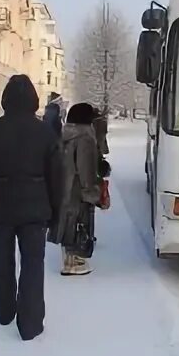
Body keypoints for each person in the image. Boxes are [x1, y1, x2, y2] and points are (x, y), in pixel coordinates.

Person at [0, 75, 62, 341]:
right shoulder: (45, 131)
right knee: (33, 264)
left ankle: (4, 309)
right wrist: (56, 210)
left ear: (6, 99)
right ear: (33, 100)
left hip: (1, 205)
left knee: (1, 260)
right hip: (36, 207)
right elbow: (56, 174)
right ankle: (30, 323)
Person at [50, 102, 106, 276]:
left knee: (66, 222)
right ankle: (75, 262)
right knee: (79, 222)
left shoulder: (64, 134)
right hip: (77, 189)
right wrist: (93, 192)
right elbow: (86, 169)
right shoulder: (85, 137)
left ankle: (68, 260)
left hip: (62, 188)